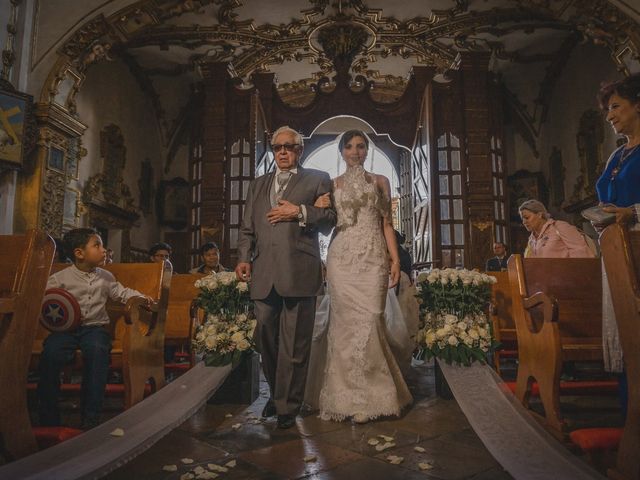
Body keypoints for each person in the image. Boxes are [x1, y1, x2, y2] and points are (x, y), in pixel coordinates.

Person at [235, 126, 336, 429]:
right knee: (266, 338)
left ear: (299, 150)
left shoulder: (318, 179)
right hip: (264, 272)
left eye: (288, 147)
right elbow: (247, 228)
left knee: (295, 345)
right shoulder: (257, 184)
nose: (282, 152)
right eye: (277, 147)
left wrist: (300, 212)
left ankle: (287, 407)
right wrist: (243, 257)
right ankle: (278, 393)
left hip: (299, 271)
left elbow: (331, 219)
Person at [316, 129, 413, 423]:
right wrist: (319, 207)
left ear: (367, 150)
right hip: (341, 258)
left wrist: (395, 260)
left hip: (373, 259)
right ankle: (345, 398)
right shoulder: (331, 185)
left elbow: (386, 225)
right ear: (342, 152)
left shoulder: (380, 181)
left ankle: (375, 395)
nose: (355, 151)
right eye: (349, 147)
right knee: (344, 328)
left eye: (360, 146)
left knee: (372, 319)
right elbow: (326, 226)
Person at [37, 228, 150, 429]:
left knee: (97, 352)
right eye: (97, 245)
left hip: (94, 329)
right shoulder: (60, 278)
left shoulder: (106, 277)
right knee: (51, 354)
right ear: (79, 253)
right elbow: (46, 300)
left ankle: (90, 417)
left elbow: (122, 293)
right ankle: (48, 418)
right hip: (65, 331)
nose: (104, 250)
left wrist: (142, 298)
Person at [594, 73, 640, 416]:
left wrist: (633, 212)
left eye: (615, 107)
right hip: (617, 253)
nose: (609, 116)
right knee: (629, 338)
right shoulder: (615, 157)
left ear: (638, 105)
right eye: (607, 110)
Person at [519, 199, 595, 258]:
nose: (524, 222)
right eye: (522, 219)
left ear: (539, 215)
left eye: (527, 217)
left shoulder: (559, 227)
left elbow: (582, 252)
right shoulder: (531, 239)